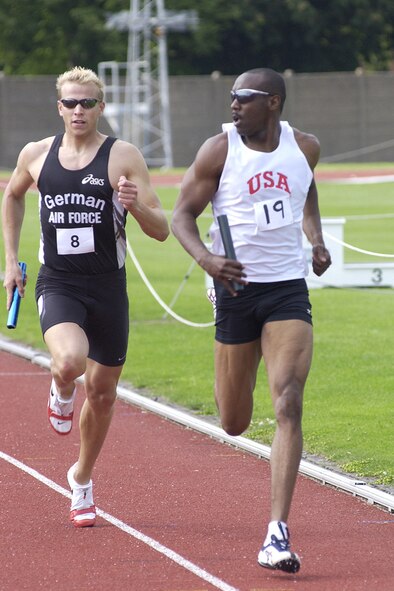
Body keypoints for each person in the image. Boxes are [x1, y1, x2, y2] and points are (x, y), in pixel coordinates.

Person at [171, 67, 331, 573]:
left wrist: (316, 238)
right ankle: (236, 395)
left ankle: (277, 533)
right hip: (235, 289)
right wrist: (208, 261)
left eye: (245, 98)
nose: (234, 106)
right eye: (231, 98)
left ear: (274, 103)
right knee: (234, 421)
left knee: (288, 400)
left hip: (286, 289)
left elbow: (306, 191)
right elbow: (181, 215)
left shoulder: (305, 147)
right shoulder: (219, 150)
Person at [2, 66, 169, 528]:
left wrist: (134, 204)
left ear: (101, 107)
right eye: (71, 103)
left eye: (88, 103)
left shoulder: (122, 156)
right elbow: (12, 196)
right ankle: (59, 388)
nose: (79, 110)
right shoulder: (36, 155)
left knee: (102, 392)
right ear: (59, 107)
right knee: (72, 361)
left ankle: (81, 478)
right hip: (59, 282)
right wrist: (11, 260)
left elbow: (162, 231)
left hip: (108, 287)